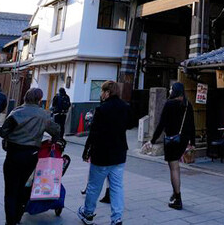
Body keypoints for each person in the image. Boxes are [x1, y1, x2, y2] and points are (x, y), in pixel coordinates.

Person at [0, 87, 62, 225]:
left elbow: (3, 132)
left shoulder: (16, 112)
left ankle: (10, 221)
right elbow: (55, 130)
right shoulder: (44, 114)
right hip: (31, 155)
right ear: (39, 99)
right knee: (25, 187)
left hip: (13, 154)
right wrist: (55, 140)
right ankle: (18, 216)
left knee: (10, 190)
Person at [77, 81, 133, 225]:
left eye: (102, 91)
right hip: (119, 153)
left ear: (107, 93)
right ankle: (117, 217)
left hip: (102, 154)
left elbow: (94, 132)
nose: (101, 94)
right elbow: (129, 124)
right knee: (117, 187)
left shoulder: (102, 109)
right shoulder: (125, 107)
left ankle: (88, 213)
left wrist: (86, 150)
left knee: (94, 186)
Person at [145, 82, 195, 210]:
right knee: (176, 167)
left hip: (171, 140)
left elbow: (161, 124)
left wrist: (152, 140)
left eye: (172, 89)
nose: (170, 90)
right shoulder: (187, 105)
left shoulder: (169, 104)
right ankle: (175, 193)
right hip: (182, 140)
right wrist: (192, 143)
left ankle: (177, 198)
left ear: (175, 91)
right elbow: (192, 125)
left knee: (174, 168)